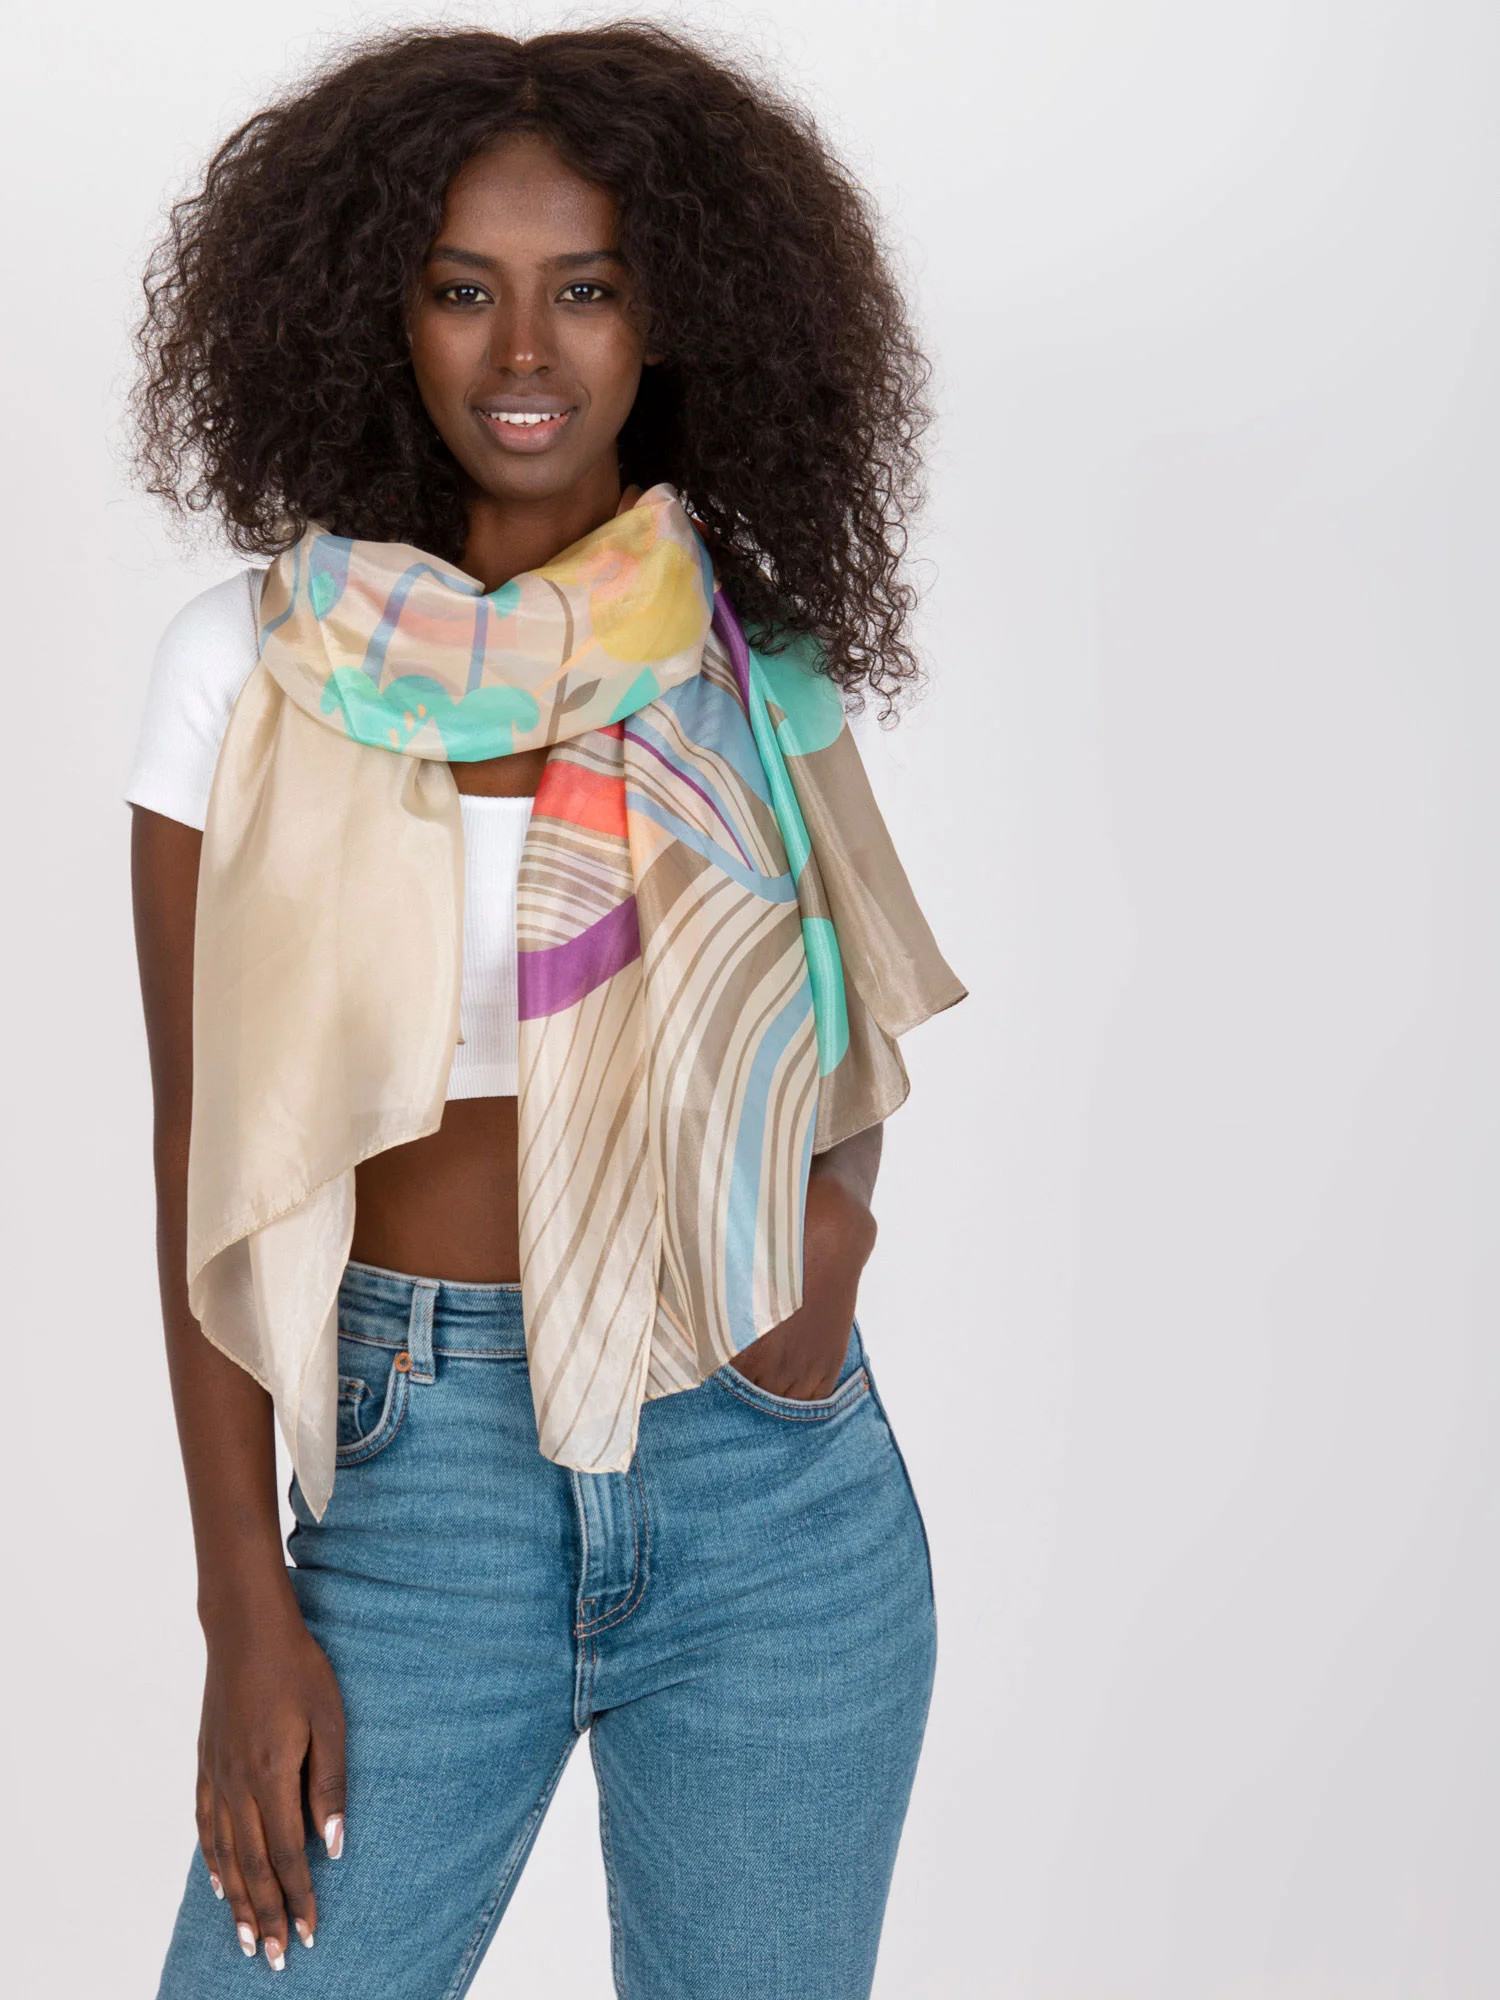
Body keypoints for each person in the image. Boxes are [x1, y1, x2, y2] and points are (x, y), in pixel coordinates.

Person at [127, 23, 966, 1997]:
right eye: (463, 290)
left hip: (766, 1482)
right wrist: (242, 1604)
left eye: (585, 289)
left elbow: (844, 1024)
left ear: (669, 316)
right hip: (419, 1481)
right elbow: (197, 1141)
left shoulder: (749, 654)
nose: (526, 351)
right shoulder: (247, 669)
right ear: (377, 314)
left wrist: (823, 1262)